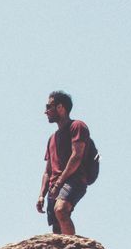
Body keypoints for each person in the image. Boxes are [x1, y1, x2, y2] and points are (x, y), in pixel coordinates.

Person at [36, 90, 97, 235]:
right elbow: (47, 171)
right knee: (57, 229)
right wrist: (41, 195)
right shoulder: (52, 138)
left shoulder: (77, 126)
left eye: (48, 107)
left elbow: (76, 156)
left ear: (60, 107)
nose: (46, 111)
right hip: (54, 186)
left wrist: (59, 183)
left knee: (61, 210)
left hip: (74, 180)